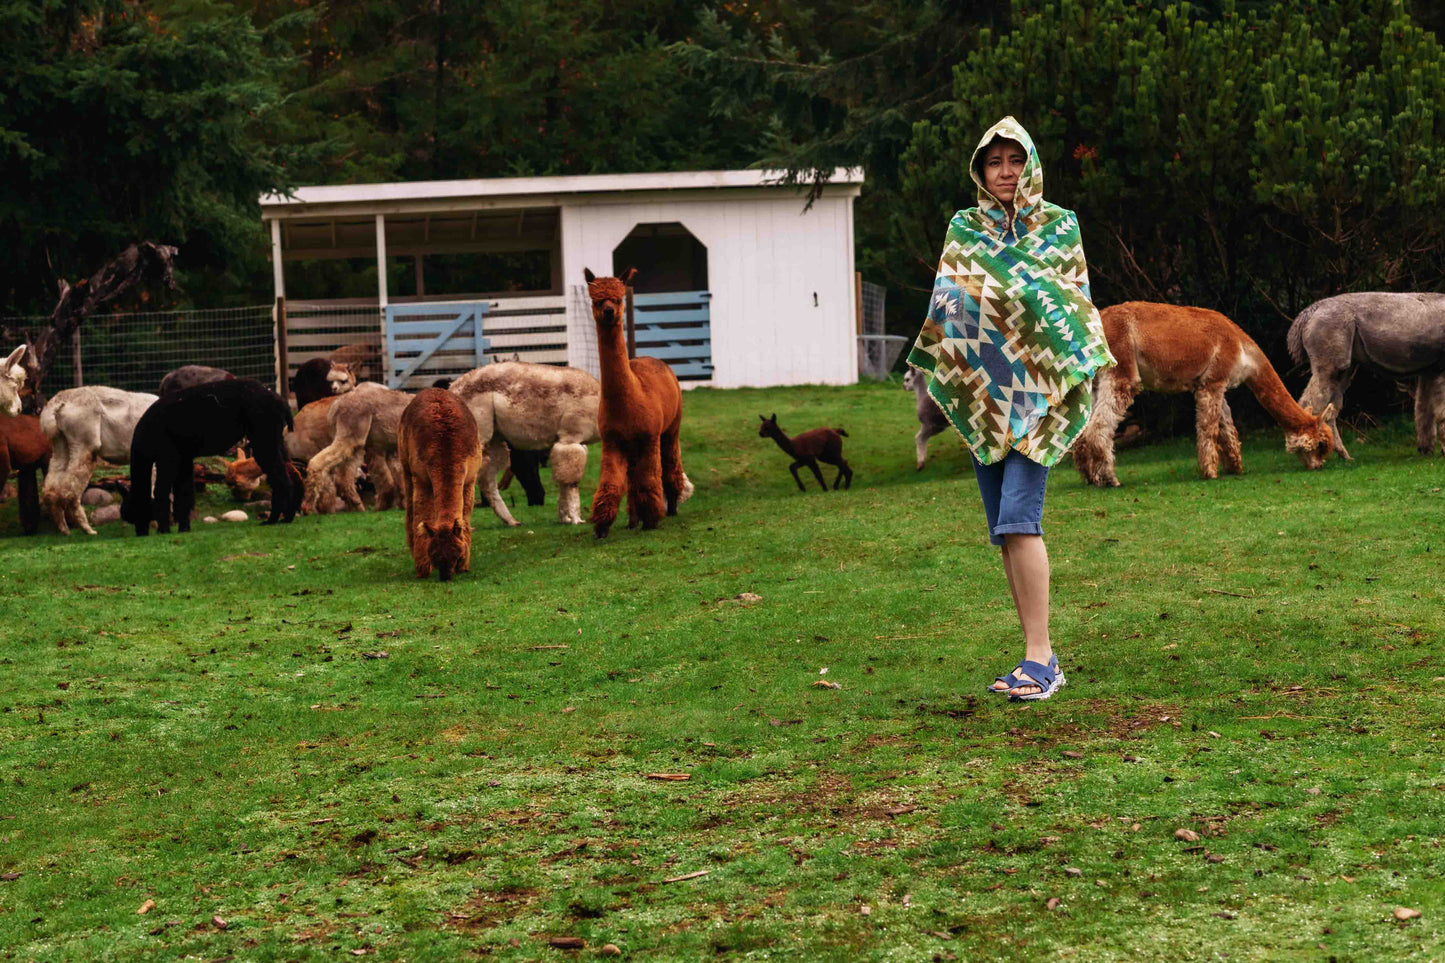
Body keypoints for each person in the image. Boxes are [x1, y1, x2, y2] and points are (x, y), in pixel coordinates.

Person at [906, 116, 1114, 701]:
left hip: (1042, 399)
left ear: (1031, 166)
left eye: (1014, 160)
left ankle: (1041, 659)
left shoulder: (1060, 226)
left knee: (1021, 520)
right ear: (981, 168)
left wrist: (1010, 304)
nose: (1005, 172)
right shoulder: (964, 228)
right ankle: (1035, 653)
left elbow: (1070, 306)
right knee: (1005, 530)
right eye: (994, 162)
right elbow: (950, 301)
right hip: (983, 395)